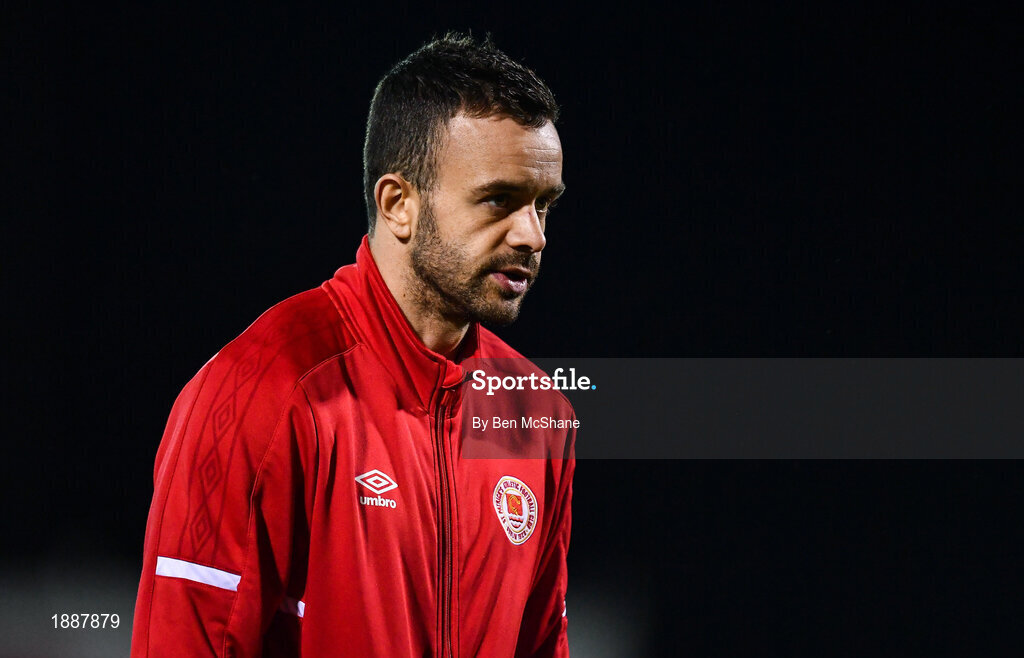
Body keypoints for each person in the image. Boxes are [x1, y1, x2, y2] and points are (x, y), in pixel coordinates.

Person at [130, 33, 574, 657]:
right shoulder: (262, 392)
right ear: (399, 205)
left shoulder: (533, 414)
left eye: (543, 205)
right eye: (499, 199)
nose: (533, 235)